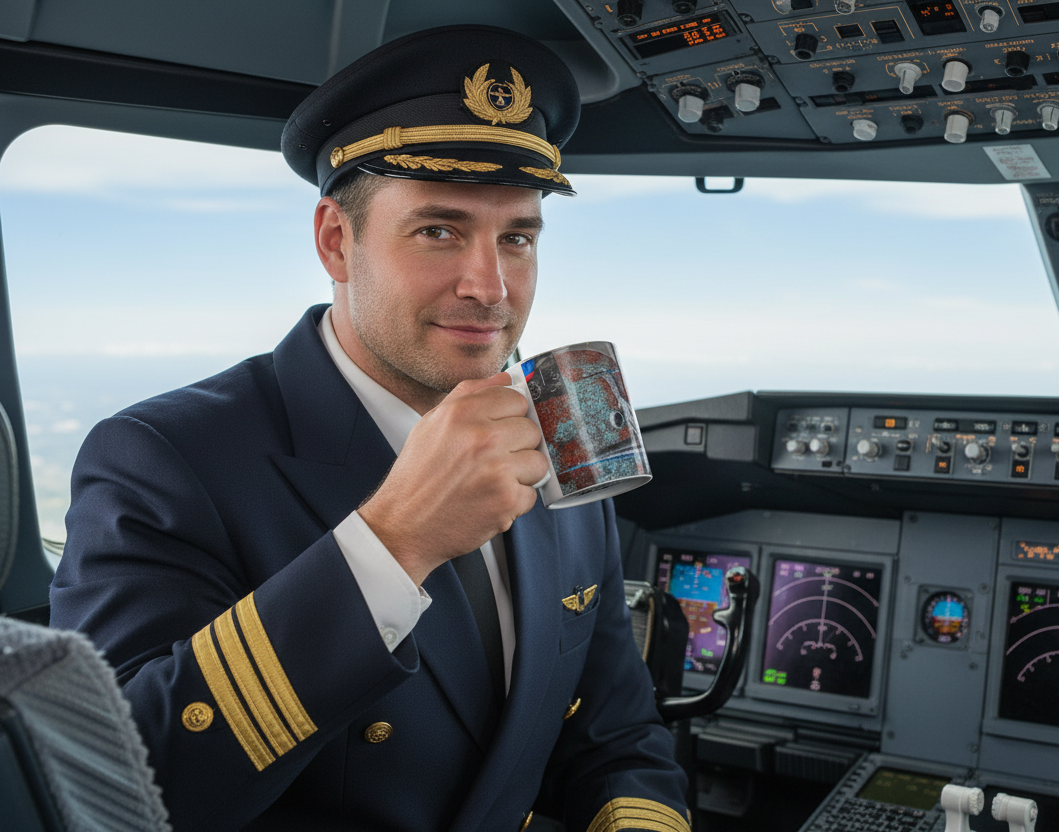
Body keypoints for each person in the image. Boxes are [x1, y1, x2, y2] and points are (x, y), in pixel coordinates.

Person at [50, 25, 689, 832]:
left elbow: (614, 729)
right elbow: (112, 789)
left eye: (517, 238)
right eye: (439, 231)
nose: (490, 288)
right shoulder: (164, 457)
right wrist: (393, 542)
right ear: (336, 241)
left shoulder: (558, 435)